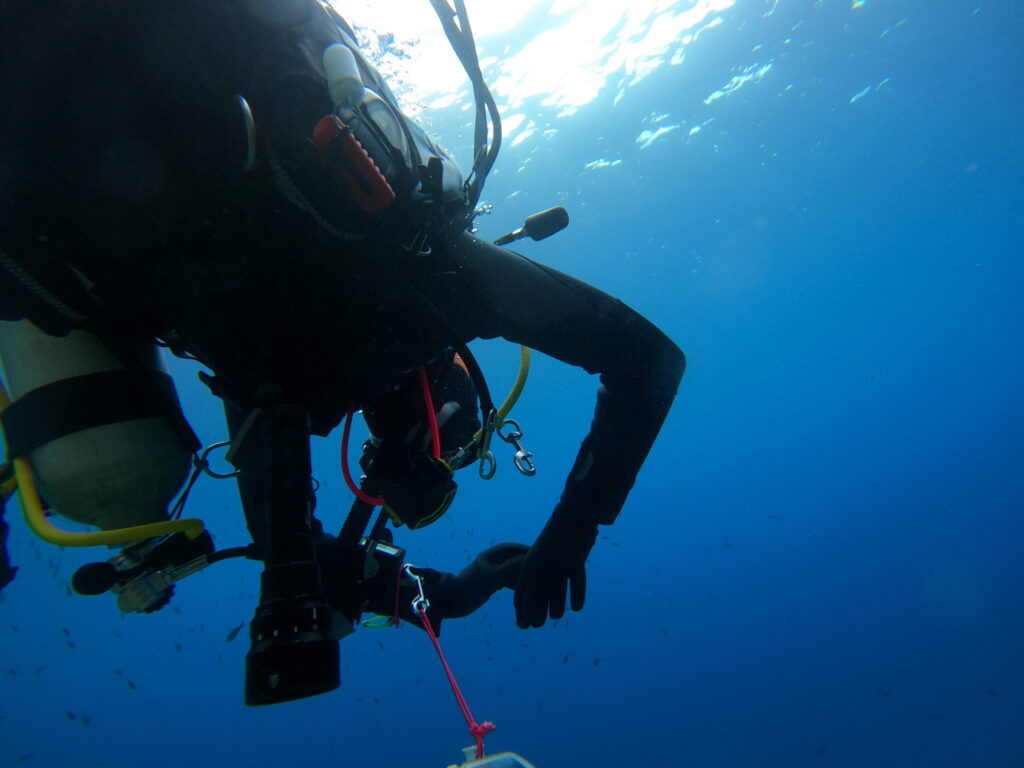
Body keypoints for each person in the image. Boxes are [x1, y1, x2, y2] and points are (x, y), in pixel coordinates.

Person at [0, 0, 684, 702]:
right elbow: (645, 359)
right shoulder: (413, 272)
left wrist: (457, 589)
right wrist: (565, 535)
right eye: (450, 439)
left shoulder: (287, 370)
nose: (422, 449)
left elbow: (287, 553)